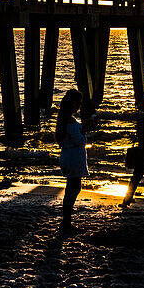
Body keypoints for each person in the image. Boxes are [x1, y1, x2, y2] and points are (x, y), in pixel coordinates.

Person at [56, 89, 95, 233]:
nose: (79, 105)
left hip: (67, 155)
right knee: (74, 188)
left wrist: (83, 126)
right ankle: (66, 222)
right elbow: (79, 140)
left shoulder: (63, 118)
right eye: (78, 103)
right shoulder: (70, 120)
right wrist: (84, 128)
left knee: (71, 188)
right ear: (73, 103)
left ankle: (66, 221)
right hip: (73, 157)